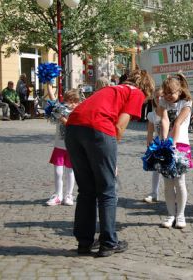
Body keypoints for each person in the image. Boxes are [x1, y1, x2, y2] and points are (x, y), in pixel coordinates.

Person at [65, 70, 154, 257]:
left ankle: (84, 242)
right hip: (98, 129)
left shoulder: (112, 89)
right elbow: (120, 126)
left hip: (73, 128)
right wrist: (111, 160)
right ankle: (108, 243)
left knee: (86, 190)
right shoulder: (136, 93)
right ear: (146, 88)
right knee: (107, 189)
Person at [159, 73, 193, 229]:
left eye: (171, 93)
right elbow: (165, 121)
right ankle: (170, 214)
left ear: (179, 91)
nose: (167, 96)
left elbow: (178, 123)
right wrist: (165, 142)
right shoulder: (162, 102)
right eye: (165, 93)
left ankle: (181, 215)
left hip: (181, 144)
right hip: (167, 144)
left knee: (179, 182)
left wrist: (173, 144)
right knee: (167, 183)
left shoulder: (186, 103)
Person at [46, 88, 80, 206]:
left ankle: (68, 195)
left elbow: (71, 125)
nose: (72, 104)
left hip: (72, 147)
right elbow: (52, 99)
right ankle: (58, 195)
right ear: (65, 101)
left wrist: (62, 119)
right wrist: (48, 83)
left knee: (70, 172)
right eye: (69, 101)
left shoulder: (78, 112)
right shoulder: (60, 109)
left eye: (75, 102)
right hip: (59, 147)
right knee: (58, 172)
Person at [143, 88, 163, 203]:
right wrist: (149, 145)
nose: (159, 99)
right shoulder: (151, 115)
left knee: (167, 169)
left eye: (161, 96)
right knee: (156, 169)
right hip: (156, 144)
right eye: (156, 97)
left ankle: (172, 193)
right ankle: (154, 193)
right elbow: (150, 132)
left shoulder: (169, 111)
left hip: (167, 143)